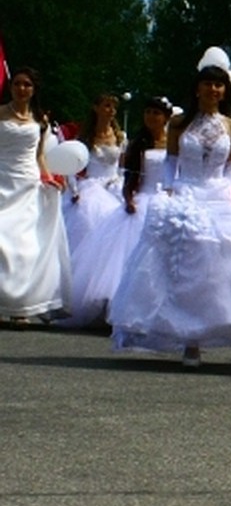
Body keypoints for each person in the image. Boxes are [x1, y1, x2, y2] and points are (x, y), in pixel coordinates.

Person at [109, 65, 231, 367]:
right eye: (208, 84)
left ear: (225, 91)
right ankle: (188, 339)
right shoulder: (179, 124)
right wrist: (170, 189)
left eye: (219, 86)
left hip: (220, 192)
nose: (214, 90)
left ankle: (205, 330)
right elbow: (171, 162)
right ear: (198, 89)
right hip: (187, 189)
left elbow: (230, 166)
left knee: (218, 267)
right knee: (184, 257)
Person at [64, 96, 173, 327]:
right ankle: (117, 305)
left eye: (157, 113)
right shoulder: (138, 143)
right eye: (148, 112)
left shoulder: (173, 144)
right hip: (141, 197)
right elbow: (131, 174)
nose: (151, 117)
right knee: (124, 253)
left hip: (164, 197)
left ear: (165, 117)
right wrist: (128, 197)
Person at [0, 67, 70, 323]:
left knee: (25, 246)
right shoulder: (0, 114)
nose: (21, 89)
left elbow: (39, 155)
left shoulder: (40, 120)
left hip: (27, 184)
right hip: (2, 180)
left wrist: (49, 177)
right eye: (17, 84)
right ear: (11, 87)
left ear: (33, 89)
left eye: (27, 84)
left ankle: (21, 306)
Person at [61, 92, 124, 253]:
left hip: (114, 184)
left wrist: (120, 181)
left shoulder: (120, 136)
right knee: (88, 221)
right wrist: (74, 189)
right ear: (96, 108)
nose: (111, 110)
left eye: (114, 107)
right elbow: (72, 166)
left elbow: (122, 166)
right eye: (107, 106)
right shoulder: (85, 136)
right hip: (91, 185)